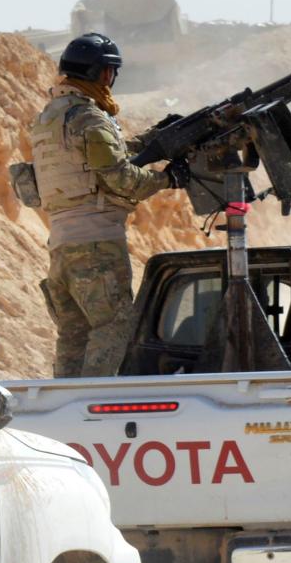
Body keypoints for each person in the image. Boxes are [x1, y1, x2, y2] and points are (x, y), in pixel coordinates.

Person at [23, 33, 177, 377]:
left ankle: (68, 413)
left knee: (73, 338)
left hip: (62, 247)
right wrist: (169, 179)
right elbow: (120, 178)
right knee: (114, 328)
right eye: (110, 72)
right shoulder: (89, 118)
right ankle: (96, 404)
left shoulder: (49, 118)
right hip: (96, 246)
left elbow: (100, 153)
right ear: (102, 74)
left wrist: (152, 140)